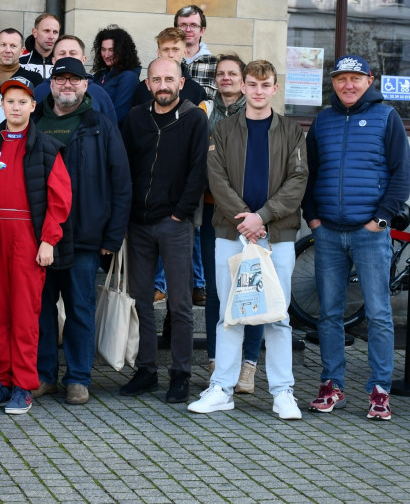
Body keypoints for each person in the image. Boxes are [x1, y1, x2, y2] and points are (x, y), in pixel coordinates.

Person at [189, 59, 308, 420]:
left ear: (274, 88)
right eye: (251, 85)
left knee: (277, 315)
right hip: (230, 232)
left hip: (278, 234)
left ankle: (282, 392)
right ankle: (222, 389)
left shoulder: (292, 131)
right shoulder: (224, 130)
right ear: (243, 87)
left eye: (265, 85)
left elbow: (298, 180)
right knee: (230, 312)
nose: (258, 91)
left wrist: (263, 217)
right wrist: (246, 219)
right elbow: (216, 178)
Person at [302, 55, 410, 421]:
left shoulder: (386, 118)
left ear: (370, 80)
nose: (347, 85)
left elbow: (403, 175)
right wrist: (313, 219)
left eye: (355, 78)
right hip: (329, 233)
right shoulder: (322, 121)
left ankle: (380, 390)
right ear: (332, 82)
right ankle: (332, 384)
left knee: (379, 313)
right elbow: (308, 173)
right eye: (340, 79)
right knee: (329, 313)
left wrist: (380, 220)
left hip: (369, 234)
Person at [33, 58, 131, 405]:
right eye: (61, 79)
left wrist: (112, 237)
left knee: (80, 309)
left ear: (86, 85)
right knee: (41, 310)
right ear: (51, 84)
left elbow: (121, 182)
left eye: (75, 80)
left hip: (86, 234)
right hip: (39, 235)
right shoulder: (33, 121)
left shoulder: (100, 124)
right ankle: (44, 375)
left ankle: (78, 378)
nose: (67, 85)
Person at [0, 76, 72, 415]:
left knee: (25, 316)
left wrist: (48, 240)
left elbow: (59, 200)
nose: (15, 107)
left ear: (33, 106)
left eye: (22, 102)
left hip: (28, 239)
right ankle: (2, 381)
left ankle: (23, 386)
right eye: (9, 101)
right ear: (1, 105)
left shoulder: (46, 146)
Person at [120, 58, 208, 404]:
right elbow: (123, 166)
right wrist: (126, 216)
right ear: (147, 83)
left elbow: (198, 171)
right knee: (141, 300)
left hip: (174, 224)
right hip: (138, 224)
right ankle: (146, 371)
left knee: (181, 304)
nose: (163, 85)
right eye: (156, 79)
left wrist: (179, 214)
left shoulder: (194, 119)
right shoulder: (136, 119)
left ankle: (181, 375)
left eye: (169, 78)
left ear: (181, 83)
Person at [199, 55, 255, 385]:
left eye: (232, 73)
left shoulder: (257, 111)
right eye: (220, 74)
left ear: (243, 78)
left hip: (253, 214)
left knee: (250, 288)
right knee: (217, 289)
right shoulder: (205, 111)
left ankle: (248, 364)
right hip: (213, 210)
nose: (225, 78)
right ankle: (216, 361)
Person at [31, 35, 117, 123]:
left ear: (83, 60)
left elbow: (111, 131)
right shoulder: (39, 91)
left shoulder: (99, 93)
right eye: (62, 53)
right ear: (53, 60)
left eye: (73, 53)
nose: (67, 57)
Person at [131, 27, 207, 108]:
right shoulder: (143, 89)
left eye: (175, 49)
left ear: (184, 52)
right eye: (166, 50)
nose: (170, 55)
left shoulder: (197, 92)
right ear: (159, 53)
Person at [91, 25, 141, 125]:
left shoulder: (128, 77)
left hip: (110, 134)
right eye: (103, 49)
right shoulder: (99, 75)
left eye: (111, 50)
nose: (106, 55)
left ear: (123, 51)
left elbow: (119, 115)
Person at [174, 4, 218, 99]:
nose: (188, 30)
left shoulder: (215, 65)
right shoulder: (165, 61)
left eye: (194, 25)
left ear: (202, 30)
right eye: (183, 25)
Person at [19, 13, 61, 79]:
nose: (51, 37)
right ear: (35, 32)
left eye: (55, 32)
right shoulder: (20, 62)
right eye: (47, 31)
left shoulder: (62, 63)